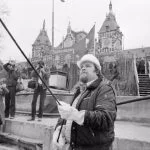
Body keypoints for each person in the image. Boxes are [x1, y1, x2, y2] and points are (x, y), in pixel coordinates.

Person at [52, 54, 117, 150]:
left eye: (87, 66)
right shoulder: (80, 91)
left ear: (97, 71)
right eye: (81, 67)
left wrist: (77, 115)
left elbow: (106, 118)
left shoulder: (104, 88)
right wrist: (59, 128)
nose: (83, 68)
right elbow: (68, 115)